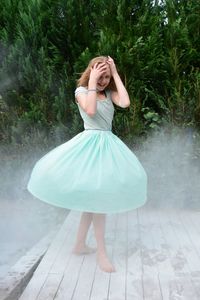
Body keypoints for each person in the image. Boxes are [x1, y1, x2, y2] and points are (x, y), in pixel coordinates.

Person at [27, 55, 147, 273]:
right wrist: (92, 81)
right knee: (97, 200)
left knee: (94, 200)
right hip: (89, 146)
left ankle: (79, 245)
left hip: (108, 146)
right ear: (92, 72)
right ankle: (101, 253)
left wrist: (116, 73)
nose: (103, 80)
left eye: (106, 77)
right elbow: (90, 111)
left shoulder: (109, 93)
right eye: (101, 75)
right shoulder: (81, 92)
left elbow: (126, 102)